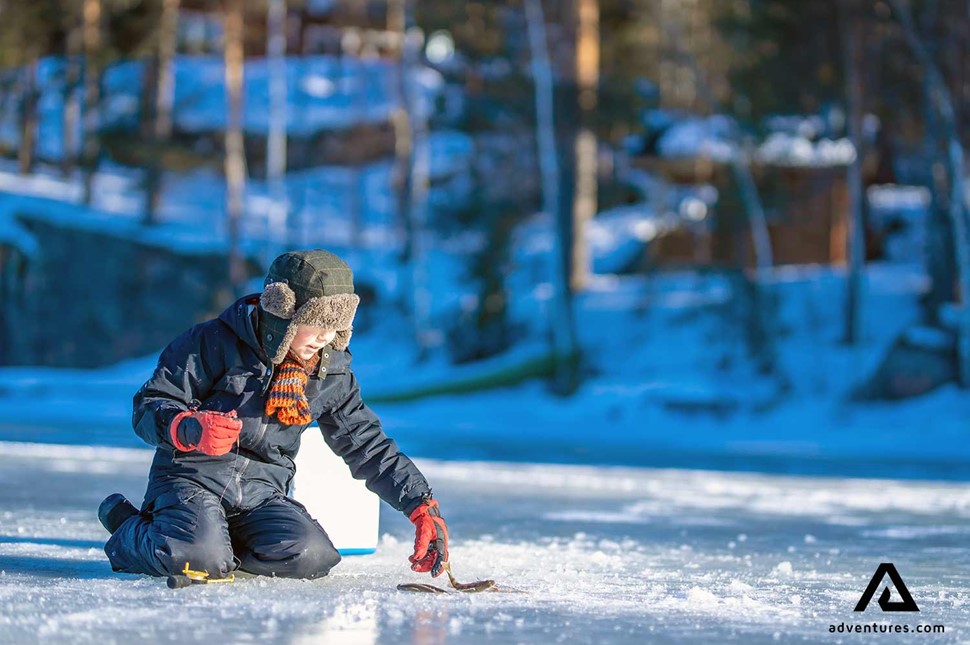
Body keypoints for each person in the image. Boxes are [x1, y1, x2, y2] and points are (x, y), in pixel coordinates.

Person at [98, 249, 449, 581]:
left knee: (312, 556)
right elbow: (150, 404)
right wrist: (187, 427)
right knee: (198, 560)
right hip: (191, 480)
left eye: (337, 325)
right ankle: (133, 528)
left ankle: (202, 541)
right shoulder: (211, 342)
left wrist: (420, 504)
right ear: (282, 310)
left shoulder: (330, 373)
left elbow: (367, 444)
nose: (326, 337)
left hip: (261, 492)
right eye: (317, 322)